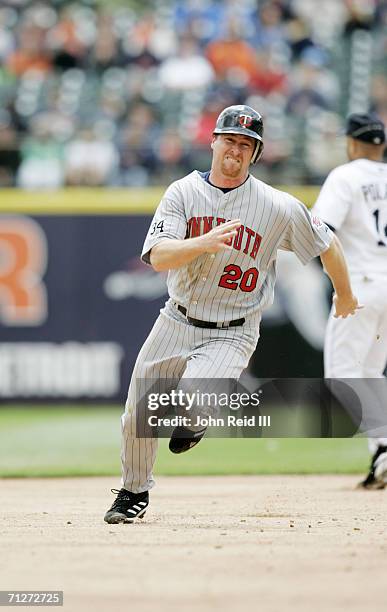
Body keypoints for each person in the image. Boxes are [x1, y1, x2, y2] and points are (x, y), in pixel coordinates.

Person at [104, 104, 361, 524]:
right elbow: (157, 256)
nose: (236, 150)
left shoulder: (276, 206)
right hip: (177, 318)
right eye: (230, 140)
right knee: (138, 413)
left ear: (256, 154)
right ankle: (134, 490)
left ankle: (196, 418)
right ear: (213, 141)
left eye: (247, 145)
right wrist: (201, 243)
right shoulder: (182, 193)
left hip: (234, 329)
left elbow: (326, 244)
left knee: (192, 397)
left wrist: (345, 295)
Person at [313, 112, 387, 489]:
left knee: (341, 375)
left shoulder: (346, 175)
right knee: (371, 374)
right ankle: (381, 452)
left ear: (352, 143)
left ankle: (385, 444)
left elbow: (321, 230)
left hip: (359, 285)